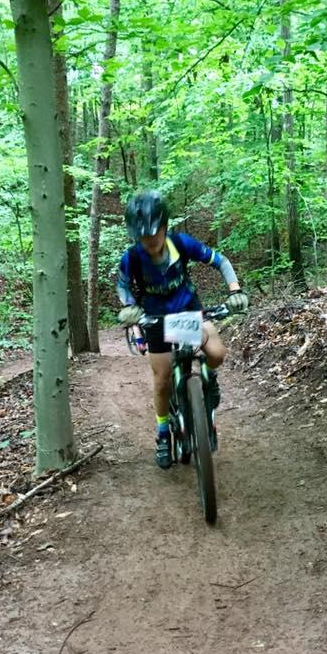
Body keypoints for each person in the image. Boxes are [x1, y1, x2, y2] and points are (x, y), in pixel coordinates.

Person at [117, 190, 248, 469]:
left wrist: (235, 290)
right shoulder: (132, 257)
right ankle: (163, 433)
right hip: (155, 319)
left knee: (216, 354)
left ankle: (208, 381)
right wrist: (129, 306)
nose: (149, 241)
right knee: (162, 378)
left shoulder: (182, 243)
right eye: (143, 237)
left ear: (164, 226)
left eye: (153, 234)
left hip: (189, 310)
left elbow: (220, 261)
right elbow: (122, 285)